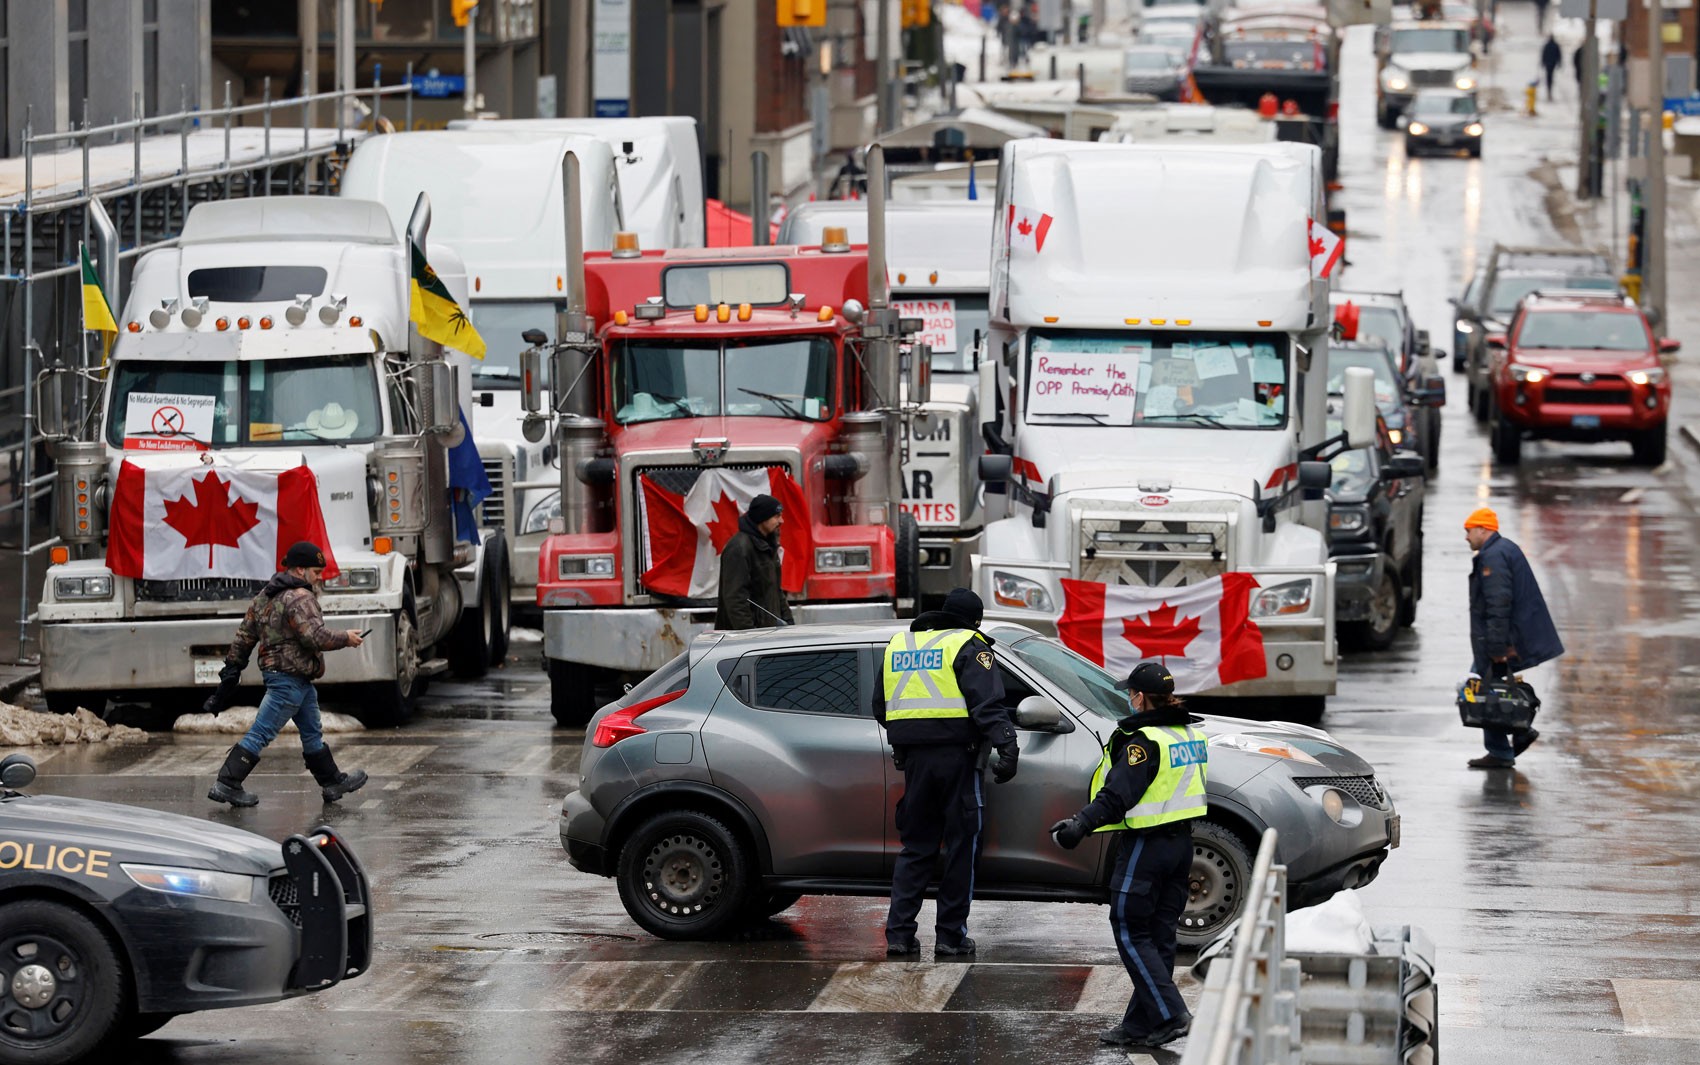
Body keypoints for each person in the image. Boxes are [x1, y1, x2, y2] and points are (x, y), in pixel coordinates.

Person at [1051, 663, 1203, 1047]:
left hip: (1147, 847)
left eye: (1130, 693)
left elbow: (1118, 795)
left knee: (1130, 929)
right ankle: (1140, 1025)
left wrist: (1079, 825)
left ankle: (1171, 1014)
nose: (1129, 699)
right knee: (1159, 937)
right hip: (1182, 846)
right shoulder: (1187, 734)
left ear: (1140, 697)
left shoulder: (1144, 741)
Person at [875, 588, 1020, 958]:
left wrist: (915, 735)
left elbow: (880, 706)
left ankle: (899, 936)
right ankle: (951, 937)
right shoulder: (969, 644)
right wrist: (1007, 744)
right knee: (961, 848)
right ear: (975, 621)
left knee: (916, 847)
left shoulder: (901, 645)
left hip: (915, 762)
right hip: (959, 759)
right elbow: (987, 704)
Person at [204, 541, 368, 807]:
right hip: (287, 682)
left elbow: (244, 638)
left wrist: (232, 669)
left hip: (295, 681)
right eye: (316, 572)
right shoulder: (300, 598)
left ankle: (332, 782)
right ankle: (227, 783)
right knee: (261, 733)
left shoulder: (263, 597)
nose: (319, 578)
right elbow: (314, 636)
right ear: (300, 570)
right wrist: (345, 638)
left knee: (312, 733)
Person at [1464, 509, 1564, 769]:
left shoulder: (1493, 557)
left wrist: (1497, 647)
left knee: (1488, 690)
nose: (1466, 537)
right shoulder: (1503, 549)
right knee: (1492, 688)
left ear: (1483, 529)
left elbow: (1498, 604)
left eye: (1469, 531)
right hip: (1508, 637)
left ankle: (1510, 742)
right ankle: (1512, 739)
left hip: (1502, 640)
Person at [715, 494, 794, 630]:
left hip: (768, 633)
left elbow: (776, 592)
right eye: (776, 516)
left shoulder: (768, 546)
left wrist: (790, 626)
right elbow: (736, 599)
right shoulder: (739, 548)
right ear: (762, 518)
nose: (781, 521)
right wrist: (750, 635)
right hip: (747, 637)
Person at [1541, 35, 1562, 100]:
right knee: (1550, 76)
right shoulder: (1556, 45)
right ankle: (1549, 90)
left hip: (1548, 64)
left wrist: (1543, 62)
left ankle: (1549, 90)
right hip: (1553, 63)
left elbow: (1543, 55)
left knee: (1548, 76)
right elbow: (1559, 55)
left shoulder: (1547, 45)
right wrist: (1559, 63)